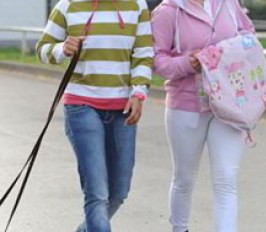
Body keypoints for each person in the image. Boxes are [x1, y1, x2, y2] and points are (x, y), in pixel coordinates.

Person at [36, 0, 153, 231]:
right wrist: (62, 49)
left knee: (119, 191)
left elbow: (143, 54)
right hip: (82, 106)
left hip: (123, 109)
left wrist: (138, 92)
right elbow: (42, 49)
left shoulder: (137, 5)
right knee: (97, 193)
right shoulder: (69, 5)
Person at [152, 0, 254, 232]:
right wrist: (187, 63)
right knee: (184, 179)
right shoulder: (168, 11)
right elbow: (157, 60)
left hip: (230, 104)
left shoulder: (228, 3)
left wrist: (229, 52)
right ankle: (180, 229)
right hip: (186, 105)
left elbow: (249, 34)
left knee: (226, 180)